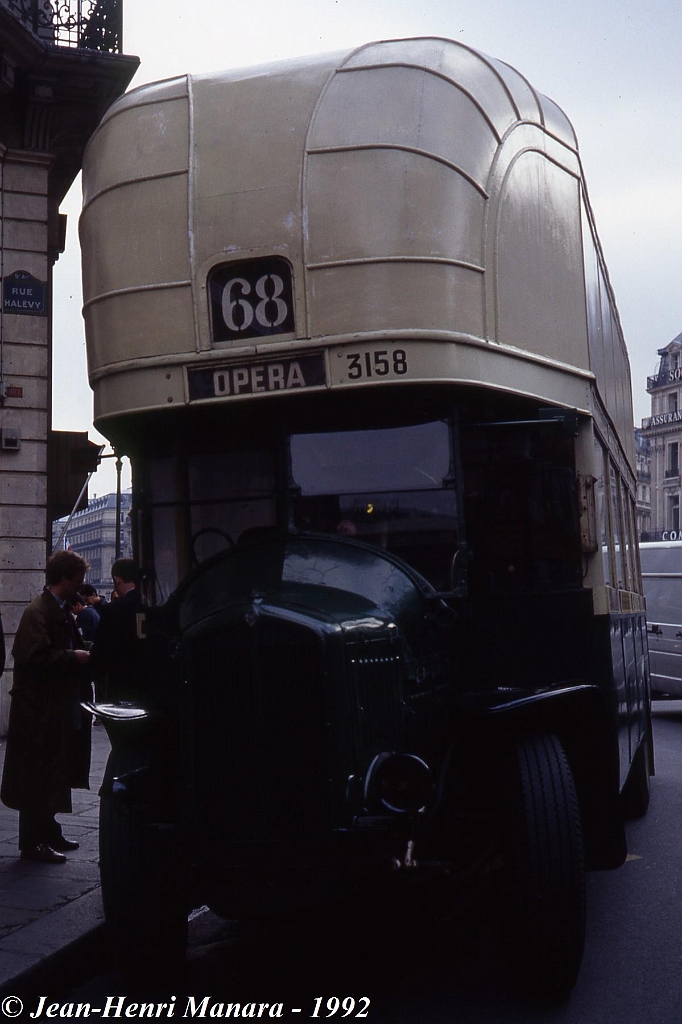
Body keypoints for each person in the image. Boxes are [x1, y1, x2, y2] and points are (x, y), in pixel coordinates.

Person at [1, 551, 92, 863]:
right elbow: (34, 657)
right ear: (64, 579)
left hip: (52, 706)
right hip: (38, 710)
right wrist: (72, 657)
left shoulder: (57, 608)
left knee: (53, 770)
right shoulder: (39, 611)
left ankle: (49, 830)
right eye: (77, 579)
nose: (80, 585)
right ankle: (33, 842)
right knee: (36, 775)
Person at [92, 558, 145, 702]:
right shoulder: (151, 603)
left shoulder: (112, 610)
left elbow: (102, 650)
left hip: (120, 681)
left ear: (117, 580)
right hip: (148, 681)